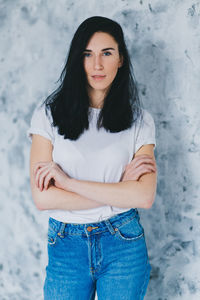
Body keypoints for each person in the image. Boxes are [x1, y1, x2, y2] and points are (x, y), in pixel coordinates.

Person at [27, 16, 157, 300]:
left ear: (120, 59)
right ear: (77, 59)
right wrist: (120, 189)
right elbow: (43, 199)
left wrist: (66, 182)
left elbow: (144, 196)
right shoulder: (47, 115)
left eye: (106, 53)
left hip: (122, 242)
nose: (97, 65)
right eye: (87, 54)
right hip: (66, 245)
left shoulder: (140, 120)